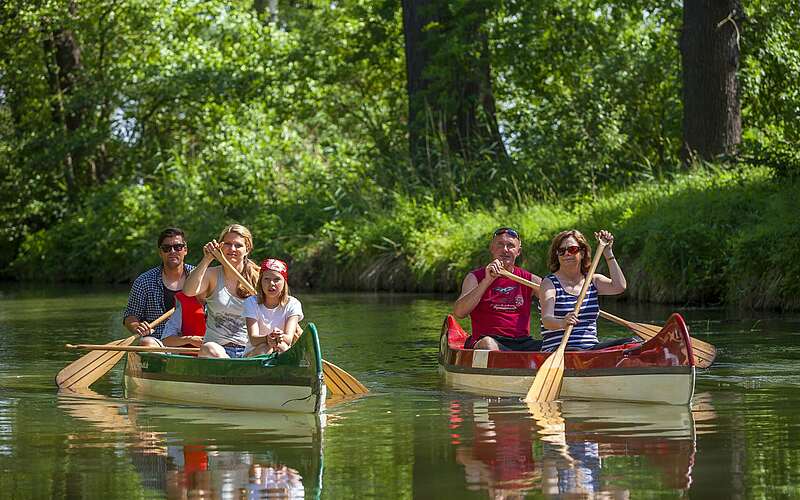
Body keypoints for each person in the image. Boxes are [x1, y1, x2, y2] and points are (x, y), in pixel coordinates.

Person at [539, 229, 632, 352]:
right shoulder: (549, 283)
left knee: (631, 343)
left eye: (572, 249)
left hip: (591, 349)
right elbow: (547, 320)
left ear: (582, 253)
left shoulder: (592, 280)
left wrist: (608, 252)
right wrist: (563, 322)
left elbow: (619, 286)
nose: (567, 254)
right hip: (559, 350)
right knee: (575, 351)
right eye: (561, 251)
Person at [453, 227, 543, 351]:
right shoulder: (475, 278)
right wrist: (486, 281)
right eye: (500, 244)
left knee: (555, 346)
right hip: (488, 342)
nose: (505, 250)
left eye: (510, 245)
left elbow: (557, 299)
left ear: (518, 251)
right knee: (488, 344)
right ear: (492, 248)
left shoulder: (530, 280)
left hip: (522, 343)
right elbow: (459, 312)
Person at [182, 224, 259, 358]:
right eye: (227, 244)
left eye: (238, 245)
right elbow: (188, 291)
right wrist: (207, 259)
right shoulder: (211, 275)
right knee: (209, 348)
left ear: (247, 249)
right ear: (220, 246)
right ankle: (233, 371)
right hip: (217, 350)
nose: (232, 249)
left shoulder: (259, 277)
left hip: (248, 351)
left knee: (272, 348)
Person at [123, 227, 193, 347]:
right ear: (160, 252)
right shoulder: (144, 281)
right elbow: (130, 316)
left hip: (193, 340)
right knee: (146, 343)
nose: (172, 251)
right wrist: (137, 327)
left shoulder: (200, 276)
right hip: (158, 342)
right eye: (166, 248)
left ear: (185, 250)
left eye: (178, 247)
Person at [243, 258, 304, 357]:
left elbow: (288, 339)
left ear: (284, 282)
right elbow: (253, 339)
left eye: (276, 279)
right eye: (266, 279)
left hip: (281, 348)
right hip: (255, 352)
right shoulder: (251, 302)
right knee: (266, 348)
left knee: (282, 346)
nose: (271, 284)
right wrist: (268, 338)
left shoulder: (293, 304)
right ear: (261, 282)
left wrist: (278, 337)